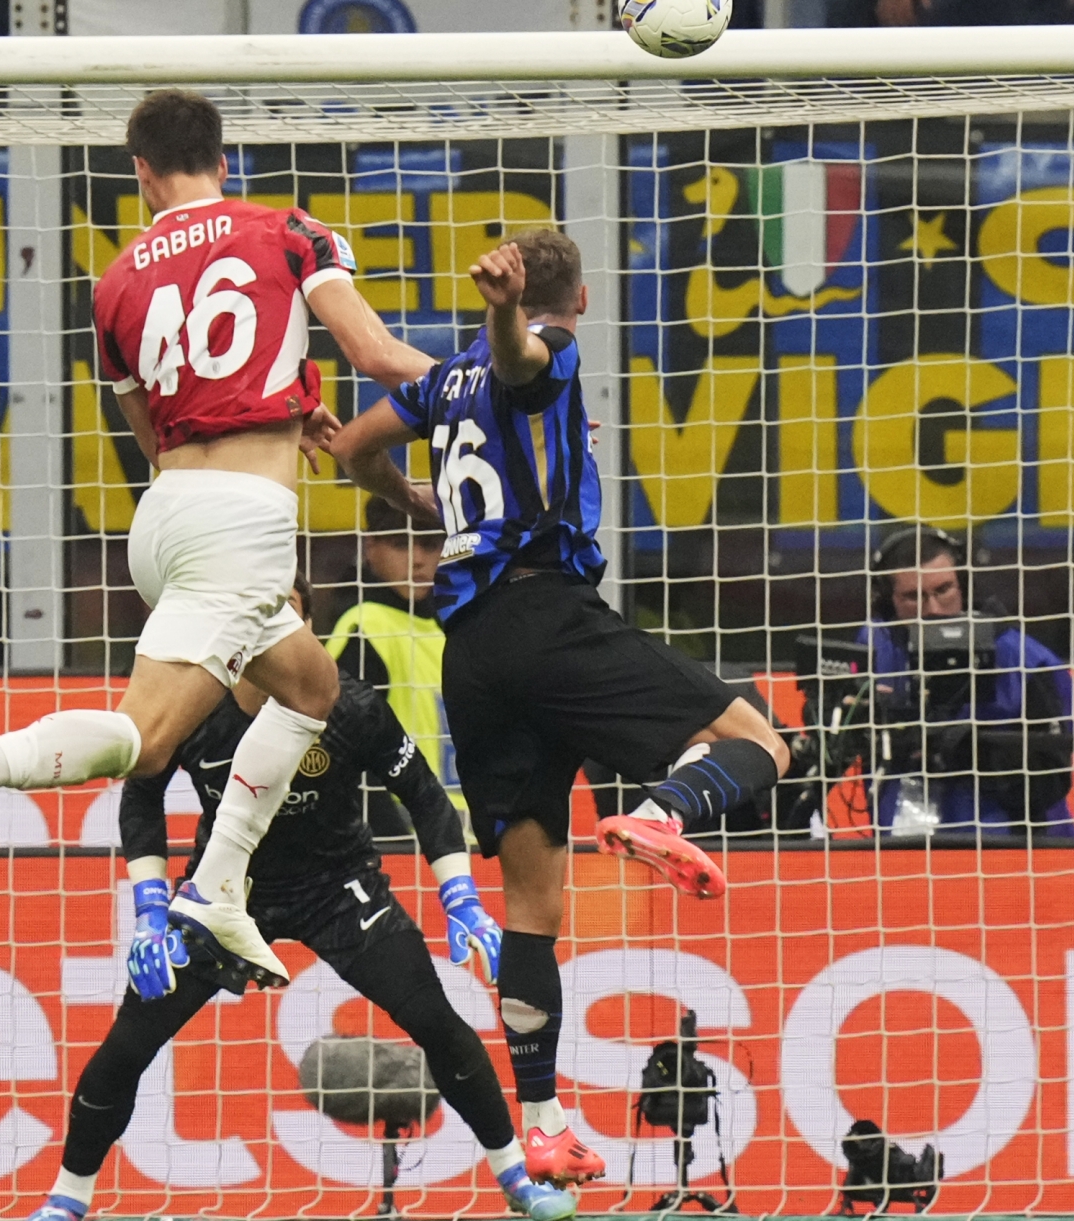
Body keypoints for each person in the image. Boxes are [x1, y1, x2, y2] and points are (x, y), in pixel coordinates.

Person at [0, 89, 434, 997]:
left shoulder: (113, 283)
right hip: (242, 522)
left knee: (310, 687)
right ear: (225, 160)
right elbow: (380, 355)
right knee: (148, 744)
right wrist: (487, 389)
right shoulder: (289, 231)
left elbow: (156, 431)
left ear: (142, 174)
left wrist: (283, 410)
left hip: (169, 507)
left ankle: (219, 887)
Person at [327, 229, 790, 1186]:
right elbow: (521, 358)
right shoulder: (542, 349)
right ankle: (666, 811)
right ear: (578, 302)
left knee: (533, 905)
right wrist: (504, 311)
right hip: (547, 612)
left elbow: (357, 446)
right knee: (761, 739)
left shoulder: (439, 382)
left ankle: (542, 1121)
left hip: (474, 653)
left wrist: (424, 506)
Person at [23, 578, 575, 1221]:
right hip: (223, 894)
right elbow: (141, 797)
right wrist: (149, 911)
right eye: (259, 601)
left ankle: (516, 1179)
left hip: (338, 890)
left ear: (304, 625)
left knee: (436, 1022)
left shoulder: (349, 706)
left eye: (287, 604)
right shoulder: (192, 706)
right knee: (126, 1047)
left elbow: (426, 796)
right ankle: (68, 1198)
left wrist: (462, 898)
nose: (272, 614)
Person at [850, 526, 1074, 836]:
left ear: (965, 585)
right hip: (903, 857)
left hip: (1011, 858)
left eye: (944, 590)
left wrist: (974, 753)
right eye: (913, 597)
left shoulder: (1029, 663)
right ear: (888, 604)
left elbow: (1051, 781)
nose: (932, 610)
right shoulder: (873, 645)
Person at [327, 497, 457, 802]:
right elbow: (342, 750)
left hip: (462, 832)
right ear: (371, 547)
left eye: (429, 545)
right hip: (400, 834)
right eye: (401, 544)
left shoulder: (448, 625)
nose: (417, 559)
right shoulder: (364, 627)